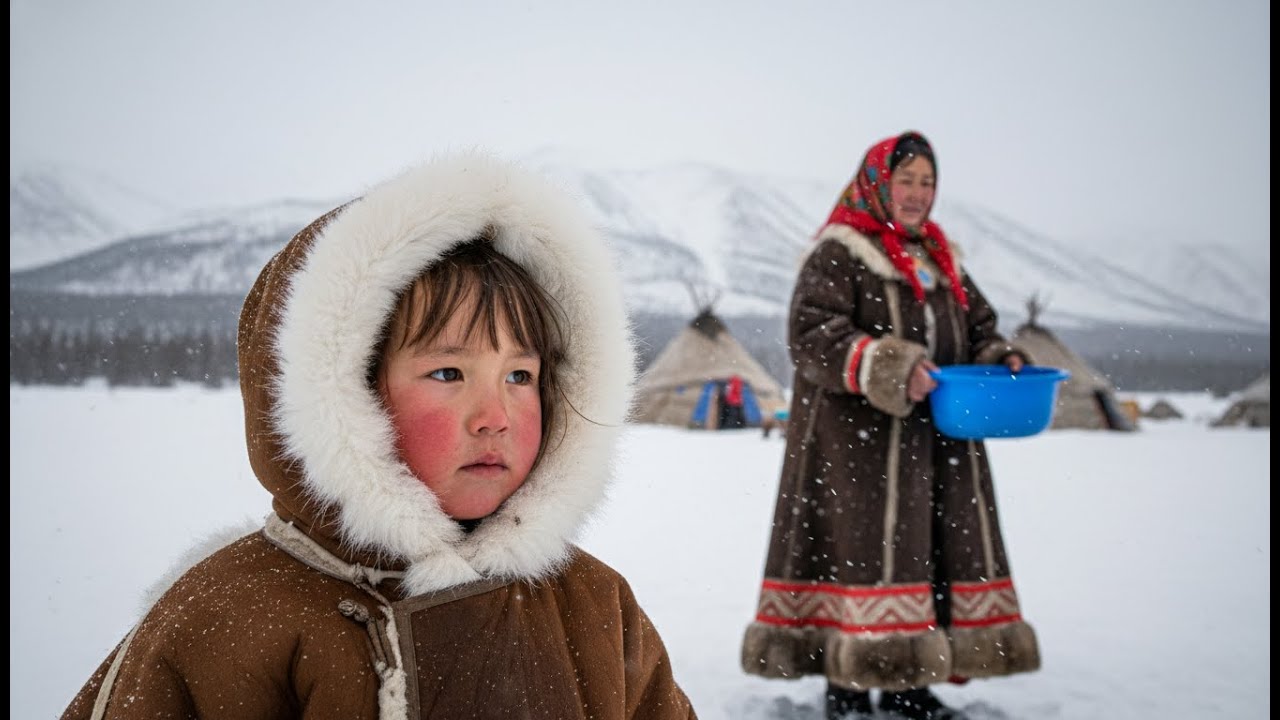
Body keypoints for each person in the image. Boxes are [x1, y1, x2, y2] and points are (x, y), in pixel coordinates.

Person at [60, 154, 696, 720]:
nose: (494, 415)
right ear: (347, 396)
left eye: (521, 376)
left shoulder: (591, 606)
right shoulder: (230, 615)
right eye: (448, 372)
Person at [740, 131, 1040, 720]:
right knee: (858, 554)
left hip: (935, 445)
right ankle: (847, 690)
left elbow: (978, 324)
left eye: (927, 182)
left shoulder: (938, 257)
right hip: (854, 449)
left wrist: (999, 355)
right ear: (878, 183)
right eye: (906, 180)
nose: (918, 194)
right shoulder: (841, 252)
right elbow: (811, 335)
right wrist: (892, 367)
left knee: (922, 555)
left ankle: (910, 687)